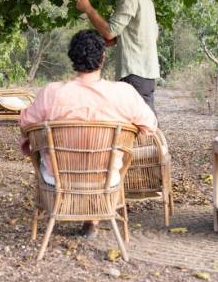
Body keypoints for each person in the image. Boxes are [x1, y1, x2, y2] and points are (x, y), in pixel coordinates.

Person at [20, 30, 157, 237]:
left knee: (45, 153)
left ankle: (73, 212)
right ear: (103, 57)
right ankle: (93, 217)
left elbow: (25, 124)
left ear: (72, 58)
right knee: (103, 159)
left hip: (58, 179)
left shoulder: (51, 92)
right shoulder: (124, 93)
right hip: (106, 179)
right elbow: (150, 126)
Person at [75, 0, 160, 112]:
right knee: (146, 123)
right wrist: (118, 39)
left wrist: (88, 9)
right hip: (145, 72)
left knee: (139, 126)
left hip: (134, 72)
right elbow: (150, 34)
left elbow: (110, 31)